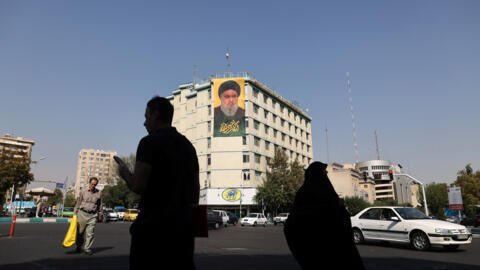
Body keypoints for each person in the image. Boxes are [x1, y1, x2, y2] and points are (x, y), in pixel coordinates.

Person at [118, 96, 200, 270]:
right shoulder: (188, 146)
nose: (144, 123)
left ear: (155, 115)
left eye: (146, 117)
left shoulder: (149, 142)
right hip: (183, 232)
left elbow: (138, 186)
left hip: (153, 231)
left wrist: (124, 173)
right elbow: (196, 191)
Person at [284, 162, 365, 270]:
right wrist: (340, 208)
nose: (326, 174)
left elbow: (290, 227)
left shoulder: (303, 193)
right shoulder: (325, 194)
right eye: (324, 172)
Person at [74, 177, 103, 255]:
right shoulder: (83, 192)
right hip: (82, 213)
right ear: (89, 183)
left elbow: (100, 204)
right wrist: (74, 214)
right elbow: (78, 203)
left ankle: (87, 249)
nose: (93, 186)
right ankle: (79, 246)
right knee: (80, 232)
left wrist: (100, 214)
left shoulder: (99, 193)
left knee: (90, 233)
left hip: (93, 215)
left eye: (95, 184)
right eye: (92, 184)